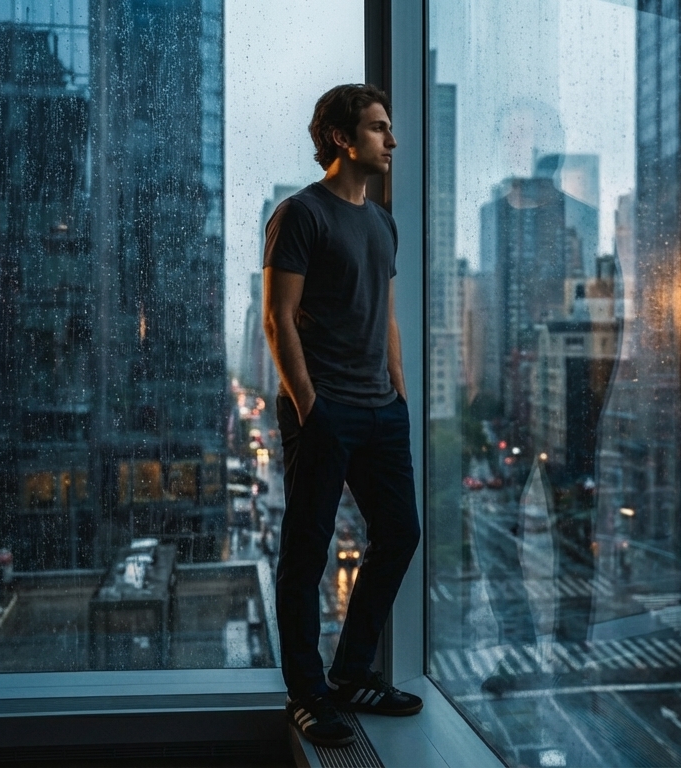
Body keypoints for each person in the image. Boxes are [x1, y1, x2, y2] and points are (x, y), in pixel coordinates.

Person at [262, 83, 422, 748]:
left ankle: (352, 675)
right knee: (307, 553)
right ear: (340, 138)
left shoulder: (381, 220)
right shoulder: (300, 214)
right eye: (380, 128)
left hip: (381, 410)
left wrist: (400, 392)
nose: (391, 140)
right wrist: (310, 406)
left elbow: (384, 316)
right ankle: (306, 694)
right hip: (325, 410)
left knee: (400, 535)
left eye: (389, 128)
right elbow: (278, 319)